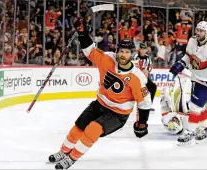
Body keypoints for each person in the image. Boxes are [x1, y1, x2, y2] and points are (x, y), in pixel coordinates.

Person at [48, 17, 152, 169]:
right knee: (78, 127)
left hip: (117, 114)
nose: (123, 55)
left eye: (127, 52)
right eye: (121, 51)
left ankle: (71, 158)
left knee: (92, 129)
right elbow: (90, 51)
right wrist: (83, 33)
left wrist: (142, 122)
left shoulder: (137, 76)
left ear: (132, 54)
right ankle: (63, 152)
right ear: (117, 51)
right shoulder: (108, 58)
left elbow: (144, 102)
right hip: (99, 104)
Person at [169, 21, 207, 145]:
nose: (198, 32)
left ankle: (189, 132)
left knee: (194, 107)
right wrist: (180, 64)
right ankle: (205, 128)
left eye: (201, 31)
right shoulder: (192, 40)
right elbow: (188, 57)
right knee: (200, 108)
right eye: (197, 30)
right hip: (196, 78)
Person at [160, 69, 207, 135]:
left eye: (172, 121)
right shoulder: (189, 123)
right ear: (180, 125)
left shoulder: (166, 119)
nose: (174, 120)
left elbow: (164, 107)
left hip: (185, 83)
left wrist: (164, 97)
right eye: (175, 122)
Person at [132, 42, 157, 110]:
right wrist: (141, 71)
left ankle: (148, 105)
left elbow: (150, 66)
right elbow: (132, 67)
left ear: (146, 50)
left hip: (144, 77)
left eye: (144, 49)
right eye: (141, 49)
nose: (143, 51)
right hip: (136, 78)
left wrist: (147, 71)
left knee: (153, 87)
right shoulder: (135, 57)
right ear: (139, 49)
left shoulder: (148, 58)